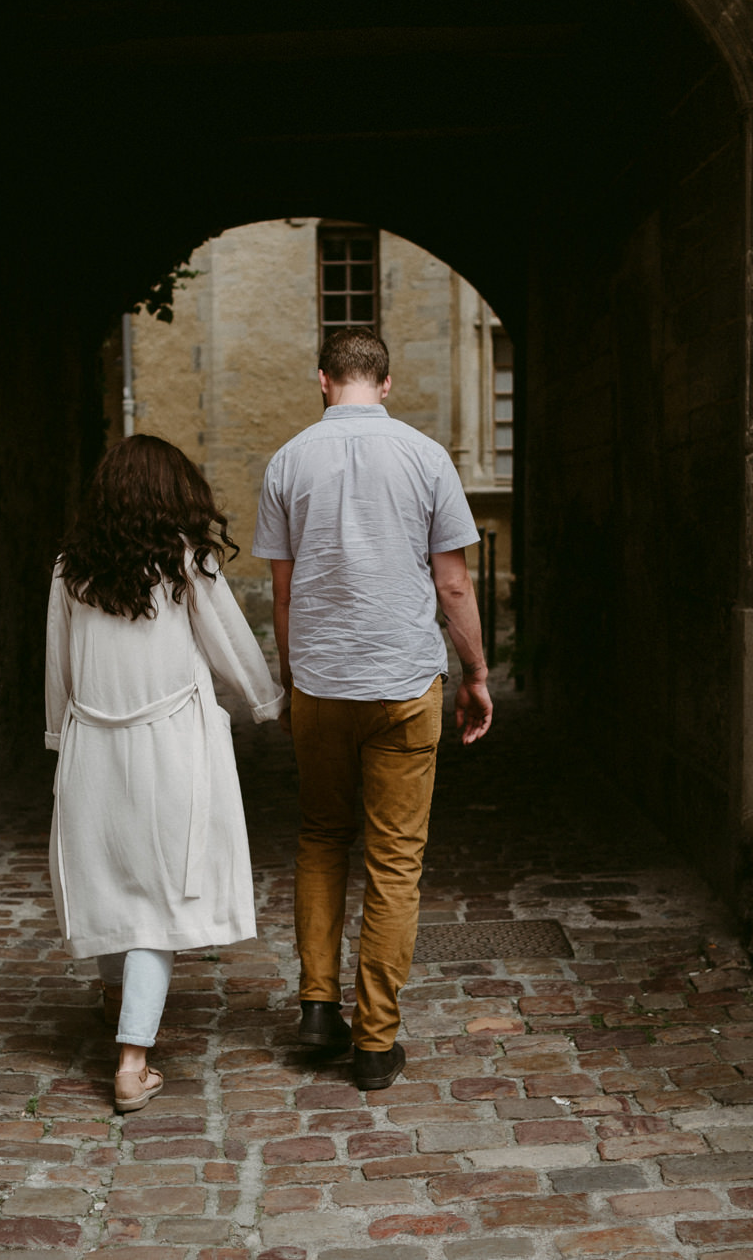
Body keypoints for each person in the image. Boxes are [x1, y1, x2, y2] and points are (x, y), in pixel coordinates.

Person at [252, 325, 493, 1091]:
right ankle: (375, 1040)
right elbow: (453, 584)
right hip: (402, 683)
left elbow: (283, 593)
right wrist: (477, 671)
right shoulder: (426, 457)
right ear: (384, 384)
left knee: (322, 834)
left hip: (322, 681)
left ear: (323, 380)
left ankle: (319, 1004)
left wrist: (292, 680)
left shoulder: (288, 460)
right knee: (395, 861)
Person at [44, 434, 285, 1113]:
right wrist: (268, 702)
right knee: (158, 898)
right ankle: (131, 1059)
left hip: (93, 740)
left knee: (110, 879)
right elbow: (232, 647)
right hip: (172, 747)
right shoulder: (186, 561)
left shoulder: (71, 568)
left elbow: (57, 667)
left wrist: (59, 736)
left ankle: (120, 1003)